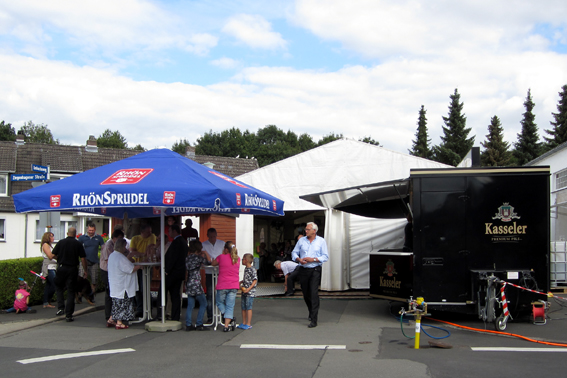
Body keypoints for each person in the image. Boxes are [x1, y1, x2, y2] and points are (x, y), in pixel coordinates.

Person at [291, 222, 329, 328]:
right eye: (306, 229)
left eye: (308, 229)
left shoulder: (321, 241)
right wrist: (298, 259)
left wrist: (314, 259)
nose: (305, 231)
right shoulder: (301, 240)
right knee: (306, 293)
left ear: (314, 231)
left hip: (315, 269)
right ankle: (310, 311)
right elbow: (294, 252)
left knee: (313, 293)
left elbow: (325, 256)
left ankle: (314, 318)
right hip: (303, 269)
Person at [52, 227, 87, 322]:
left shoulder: (61, 242)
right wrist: (85, 270)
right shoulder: (78, 244)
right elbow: (83, 258)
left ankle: (60, 308)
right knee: (71, 291)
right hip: (72, 269)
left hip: (62, 267)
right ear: (75, 234)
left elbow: (52, 255)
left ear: (67, 233)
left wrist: (59, 259)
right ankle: (69, 315)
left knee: (59, 287)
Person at [108, 238, 141, 329]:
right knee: (122, 303)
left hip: (115, 283)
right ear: (122, 247)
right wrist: (139, 266)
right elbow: (129, 269)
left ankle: (111, 318)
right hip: (122, 285)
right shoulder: (120, 257)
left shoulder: (112, 255)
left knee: (116, 303)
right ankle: (119, 322)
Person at [160, 224, 187, 322]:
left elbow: (173, 258)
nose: (169, 233)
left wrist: (167, 270)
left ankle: (162, 314)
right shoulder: (183, 241)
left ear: (174, 231)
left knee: (165, 292)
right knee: (175, 295)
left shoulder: (176, 242)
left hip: (173, 273)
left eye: (170, 231)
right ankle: (175, 316)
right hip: (179, 272)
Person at [211, 241, 240, 332]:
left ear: (226, 249)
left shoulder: (221, 257)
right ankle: (226, 325)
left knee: (219, 302)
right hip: (234, 285)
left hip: (222, 284)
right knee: (230, 305)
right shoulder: (237, 259)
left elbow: (213, 263)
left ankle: (227, 317)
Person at [129, 224, 156, 317]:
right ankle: (140, 309)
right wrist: (143, 254)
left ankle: (148, 307)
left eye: (150, 231)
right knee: (138, 288)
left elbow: (151, 249)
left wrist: (143, 257)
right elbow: (131, 251)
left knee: (145, 287)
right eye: (148, 232)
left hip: (147, 266)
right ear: (142, 232)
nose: (150, 233)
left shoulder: (152, 237)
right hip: (137, 266)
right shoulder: (135, 239)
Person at [184, 240, 211, 331]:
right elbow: (208, 262)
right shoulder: (198, 258)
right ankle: (199, 323)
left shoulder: (187, 258)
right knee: (204, 303)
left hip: (189, 282)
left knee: (190, 305)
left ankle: (188, 324)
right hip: (196, 283)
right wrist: (205, 254)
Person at [100, 229, 124, 323]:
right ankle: (108, 315)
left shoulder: (115, 245)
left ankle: (113, 315)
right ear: (114, 238)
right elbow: (109, 260)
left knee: (113, 293)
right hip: (107, 271)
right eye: (119, 238)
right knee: (109, 293)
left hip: (112, 271)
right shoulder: (108, 246)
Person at [201, 228, 225, 322]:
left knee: (221, 294)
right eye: (211, 237)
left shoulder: (222, 243)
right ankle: (210, 316)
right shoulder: (204, 244)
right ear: (208, 236)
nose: (212, 238)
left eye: (214, 236)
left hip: (220, 271)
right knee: (210, 294)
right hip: (209, 271)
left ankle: (223, 315)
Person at [78, 223, 105, 297]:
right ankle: (80, 295)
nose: (91, 232)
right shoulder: (82, 238)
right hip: (84, 261)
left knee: (94, 279)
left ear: (95, 230)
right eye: (89, 230)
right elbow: (78, 248)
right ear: (87, 229)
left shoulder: (99, 238)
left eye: (92, 230)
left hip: (94, 261)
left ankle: (92, 294)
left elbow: (103, 248)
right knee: (81, 278)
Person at [238, 253, 257, 330]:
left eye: (243, 259)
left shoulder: (252, 269)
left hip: (250, 292)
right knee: (243, 307)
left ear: (246, 260)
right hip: (244, 290)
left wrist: (249, 289)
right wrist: (241, 281)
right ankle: (244, 322)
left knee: (248, 307)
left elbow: (254, 280)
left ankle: (248, 323)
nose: (242, 261)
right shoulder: (246, 269)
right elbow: (247, 278)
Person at [40, 231, 57, 308]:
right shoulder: (46, 245)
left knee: (49, 285)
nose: (53, 238)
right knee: (54, 284)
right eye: (51, 236)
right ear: (48, 237)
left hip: (53, 267)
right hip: (49, 267)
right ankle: (47, 301)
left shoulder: (50, 245)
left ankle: (46, 302)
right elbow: (50, 256)